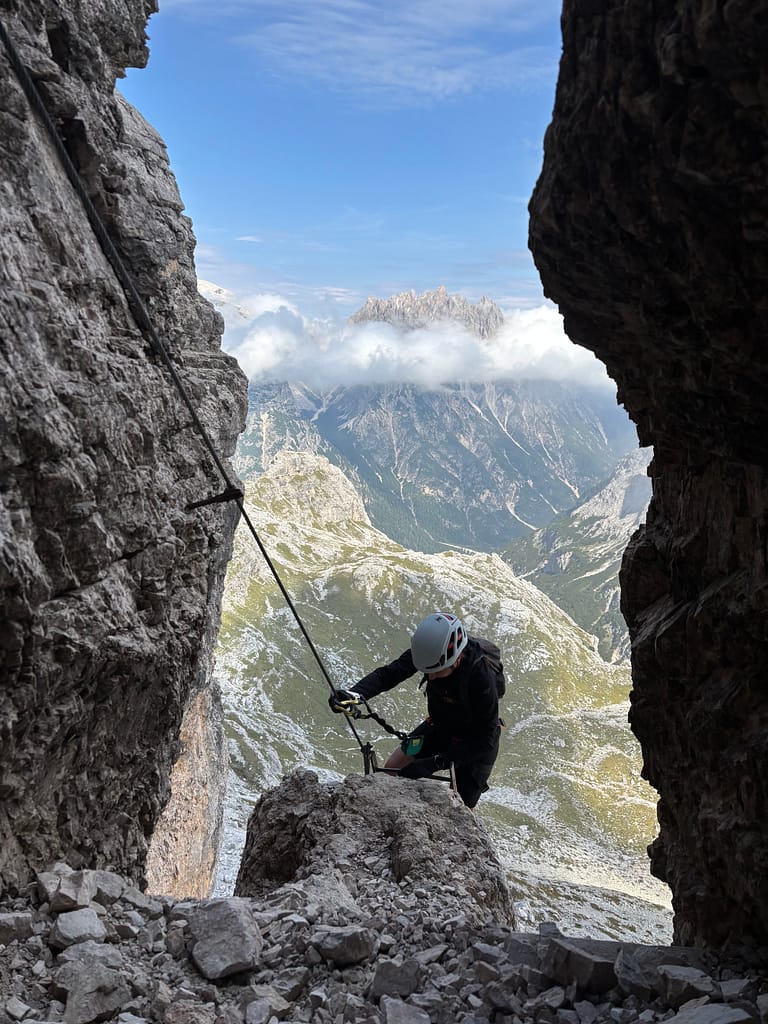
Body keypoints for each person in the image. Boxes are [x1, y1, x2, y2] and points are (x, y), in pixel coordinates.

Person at [329, 611, 501, 809]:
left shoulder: (481, 679)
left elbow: (484, 739)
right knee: (391, 768)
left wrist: (435, 763)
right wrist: (355, 695)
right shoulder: (429, 652)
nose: (432, 677)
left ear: (455, 660)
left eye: (437, 671)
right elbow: (389, 674)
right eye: (427, 672)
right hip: (440, 726)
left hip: (475, 743)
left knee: (464, 806)